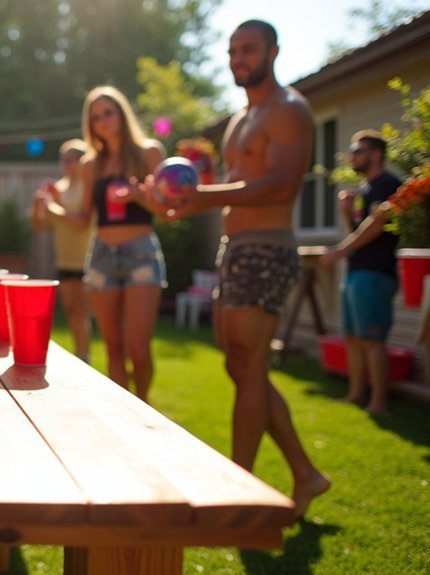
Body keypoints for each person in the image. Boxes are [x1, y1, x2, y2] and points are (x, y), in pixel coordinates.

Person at [163, 20, 331, 519]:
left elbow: (280, 185)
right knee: (239, 365)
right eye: (233, 50)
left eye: (249, 49)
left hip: (268, 247)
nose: (239, 58)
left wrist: (205, 196)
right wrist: (174, 204)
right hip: (234, 247)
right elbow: (225, 190)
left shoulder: (290, 111)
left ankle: (238, 487)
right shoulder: (241, 119)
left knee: (249, 365)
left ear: (273, 51)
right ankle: (305, 473)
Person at [79, 86, 166, 402]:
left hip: (141, 253)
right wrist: (48, 208)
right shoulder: (91, 165)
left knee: (138, 349)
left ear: (122, 113)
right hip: (101, 255)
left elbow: (168, 210)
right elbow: (82, 218)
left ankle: (144, 406)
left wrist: (139, 195)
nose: (103, 121)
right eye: (96, 117)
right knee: (114, 348)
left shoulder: (149, 153)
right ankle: (124, 415)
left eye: (108, 112)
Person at [320, 130, 401, 415]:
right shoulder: (367, 190)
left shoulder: (388, 185)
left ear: (376, 154)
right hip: (357, 271)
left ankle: (379, 403)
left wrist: (340, 251)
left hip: (375, 274)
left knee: (373, 339)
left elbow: (376, 227)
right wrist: (346, 212)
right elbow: (360, 231)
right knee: (353, 338)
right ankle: (356, 394)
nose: (352, 156)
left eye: (358, 150)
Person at [31, 139, 95, 363]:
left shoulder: (89, 186)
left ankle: (84, 355)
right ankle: (81, 356)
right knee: (71, 311)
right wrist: (37, 207)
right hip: (65, 260)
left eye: (72, 159)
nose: (67, 163)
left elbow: (82, 223)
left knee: (83, 312)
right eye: (64, 159)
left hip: (87, 259)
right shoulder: (58, 188)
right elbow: (40, 226)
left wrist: (53, 207)